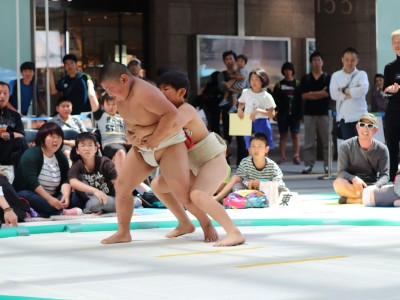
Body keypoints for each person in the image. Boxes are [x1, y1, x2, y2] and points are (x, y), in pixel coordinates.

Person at [98, 62, 210, 245]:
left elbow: (171, 113)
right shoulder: (120, 94)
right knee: (122, 187)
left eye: (110, 88)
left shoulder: (145, 92)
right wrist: (129, 134)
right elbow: (128, 118)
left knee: (182, 194)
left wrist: (156, 138)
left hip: (168, 145)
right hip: (142, 148)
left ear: (124, 79)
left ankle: (206, 225)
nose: (110, 94)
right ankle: (123, 232)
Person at [135, 70, 243, 246]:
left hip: (213, 161)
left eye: (166, 89)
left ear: (181, 92)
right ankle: (184, 223)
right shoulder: (162, 116)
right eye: (158, 90)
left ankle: (234, 232)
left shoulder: (186, 109)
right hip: (193, 167)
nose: (160, 94)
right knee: (158, 185)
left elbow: (174, 125)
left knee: (198, 195)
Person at [13, 122, 85, 217]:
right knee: (24, 195)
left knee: (77, 199)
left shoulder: (60, 156)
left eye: (59, 137)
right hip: (34, 194)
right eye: (52, 136)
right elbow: (32, 182)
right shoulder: (31, 155)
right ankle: (62, 212)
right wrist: (49, 200)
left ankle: (42, 211)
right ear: (42, 138)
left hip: (54, 195)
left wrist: (66, 196)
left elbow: (65, 179)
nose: (56, 140)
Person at [213, 132, 287, 202]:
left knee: (283, 190)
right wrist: (250, 183)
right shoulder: (245, 162)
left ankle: (260, 200)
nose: (256, 149)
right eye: (253, 146)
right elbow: (241, 178)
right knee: (236, 181)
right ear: (249, 149)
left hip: (267, 191)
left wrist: (262, 184)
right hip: (249, 191)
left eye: (260, 146)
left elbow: (280, 183)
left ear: (266, 149)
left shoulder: (272, 166)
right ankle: (217, 197)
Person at [332, 113, 389, 204]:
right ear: (358, 127)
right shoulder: (345, 146)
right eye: (362, 125)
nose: (365, 129)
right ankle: (368, 199)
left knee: (393, 189)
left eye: (370, 126)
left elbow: (385, 175)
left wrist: (374, 187)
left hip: (373, 185)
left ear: (375, 130)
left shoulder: (382, 149)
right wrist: (354, 179)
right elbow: (341, 172)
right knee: (337, 183)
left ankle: (351, 200)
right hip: (352, 185)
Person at [68, 132, 120, 214]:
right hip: (91, 198)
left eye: (90, 145)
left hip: (109, 198)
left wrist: (122, 201)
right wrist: (95, 191)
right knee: (88, 201)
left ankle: (88, 211)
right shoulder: (77, 164)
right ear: (77, 150)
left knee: (95, 203)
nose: (87, 148)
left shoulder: (105, 162)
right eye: (83, 145)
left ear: (96, 149)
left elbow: (118, 184)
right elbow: (73, 182)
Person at [87, 79, 130, 173]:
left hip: (125, 144)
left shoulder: (123, 116)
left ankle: (146, 185)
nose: (111, 107)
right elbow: (91, 96)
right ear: (103, 105)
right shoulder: (100, 115)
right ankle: (120, 184)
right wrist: (90, 83)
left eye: (114, 104)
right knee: (120, 152)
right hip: (110, 145)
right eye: (108, 104)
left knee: (140, 153)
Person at [300, 51, 331, 174]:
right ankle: (308, 165)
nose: (316, 62)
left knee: (327, 140)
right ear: (311, 63)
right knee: (309, 141)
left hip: (324, 113)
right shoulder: (306, 78)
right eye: (314, 60)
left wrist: (311, 93)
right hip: (309, 113)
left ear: (322, 62)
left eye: (319, 60)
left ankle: (328, 165)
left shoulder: (327, 78)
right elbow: (304, 96)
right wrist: (319, 93)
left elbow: (327, 94)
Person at [330, 47, 369, 140]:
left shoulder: (362, 74)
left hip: (361, 117)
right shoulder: (336, 75)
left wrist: (343, 90)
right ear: (342, 59)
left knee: (363, 149)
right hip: (345, 118)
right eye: (347, 60)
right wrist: (354, 92)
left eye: (352, 60)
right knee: (350, 149)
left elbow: (363, 90)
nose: (349, 63)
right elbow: (334, 94)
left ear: (357, 60)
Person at [217, 50, 247, 166]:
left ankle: (242, 165)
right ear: (224, 61)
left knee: (241, 139)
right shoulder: (222, 74)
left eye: (231, 58)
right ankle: (226, 163)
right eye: (226, 59)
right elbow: (223, 87)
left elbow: (246, 89)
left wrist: (232, 84)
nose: (229, 61)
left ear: (236, 60)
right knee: (227, 137)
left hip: (241, 108)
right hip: (227, 109)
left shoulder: (243, 72)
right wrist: (236, 79)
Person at [237, 68, 276, 150]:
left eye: (257, 79)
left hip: (262, 122)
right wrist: (239, 110)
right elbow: (241, 103)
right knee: (250, 148)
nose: (253, 81)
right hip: (247, 122)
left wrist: (258, 111)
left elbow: (272, 114)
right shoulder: (246, 92)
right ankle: (250, 163)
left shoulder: (267, 96)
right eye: (251, 79)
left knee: (263, 148)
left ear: (263, 81)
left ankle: (264, 163)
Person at [273, 62, 302, 165]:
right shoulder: (279, 85)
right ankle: (282, 157)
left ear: (292, 71)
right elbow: (274, 101)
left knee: (295, 135)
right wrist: (275, 113)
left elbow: (301, 100)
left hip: (295, 114)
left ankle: (296, 156)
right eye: (285, 70)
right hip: (282, 115)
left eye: (289, 70)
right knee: (283, 135)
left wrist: (301, 115)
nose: (287, 72)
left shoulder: (298, 84)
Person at [383, 29, 400, 181]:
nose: (397, 45)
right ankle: (392, 180)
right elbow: (385, 92)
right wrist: (390, 90)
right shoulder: (389, 67)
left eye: (399, 41)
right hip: (393, 112)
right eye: (394, 42)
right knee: (392, 148)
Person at [0, 81, 29, 170]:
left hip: (8, 149)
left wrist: (10, 135)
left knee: (20, 143)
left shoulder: (14, 115)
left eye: (5, 93)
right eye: (0, 92)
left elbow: (21, 135)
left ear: (9, 96)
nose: (2, 96)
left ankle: (23, 177)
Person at [50, 96, 87, 160]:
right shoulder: (52, 122)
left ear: (72, 108)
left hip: (79, 143)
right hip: (62, 144)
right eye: (63, 106)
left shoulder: (77, 120)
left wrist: (78, 142)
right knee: (68, 153)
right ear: (57, 109)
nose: (66, 109)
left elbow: (85, 134)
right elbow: (51, 138)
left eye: (68, 106)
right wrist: (69, 143)